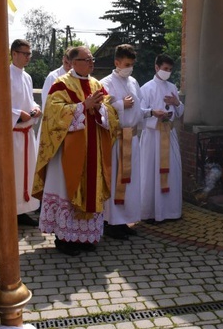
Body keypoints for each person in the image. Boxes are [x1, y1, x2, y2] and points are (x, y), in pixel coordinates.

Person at [32, 46, 120, 256]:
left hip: (93, 150)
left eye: (92, 59)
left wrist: (100, 109)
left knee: (91, 187)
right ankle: (64, 238)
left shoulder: (96, 84)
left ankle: (85, 236)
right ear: (73, 62)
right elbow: (53, 115)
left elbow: (111, 113)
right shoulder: (60, 85)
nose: (92, 63)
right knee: (65, 188)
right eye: (87, 59)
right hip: (68, 153)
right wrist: (82, 106)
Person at [100, 44, 144, 240]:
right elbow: (101, 108)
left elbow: (140, 108)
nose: (130, 68)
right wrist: (120, 105)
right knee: (117, 179)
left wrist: (150, 113)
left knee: (130, 181)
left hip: (132, 138)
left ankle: (125, 219)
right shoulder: (106, 83)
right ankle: (111, 222)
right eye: (127, 64)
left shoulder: (133, 81)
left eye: (132, 64)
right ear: (117, 62)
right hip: (117, 140)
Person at [139, 54, 184, 223]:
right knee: (151, 172)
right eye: (165, 69)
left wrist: (176, 102)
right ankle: (150, 212)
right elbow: (140, 112)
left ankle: (170, 211)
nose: (168, 72)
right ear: (156, 67)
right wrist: (154, 113)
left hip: (168, 134)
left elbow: (179, 113)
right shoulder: (146, 88)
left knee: (171, 171)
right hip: (153, 136)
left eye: (170, 70)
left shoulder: (172, 87)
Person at [9, 39, 42, 226]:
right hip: (13, 133)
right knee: (15, 174)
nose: (28, 57)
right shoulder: (4, 74)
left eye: (30, 54)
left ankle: (23, 210)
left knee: (27, 174)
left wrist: (35, 108)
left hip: (27, 132)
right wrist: (16, 114)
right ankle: (12, 211)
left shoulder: (27, 77)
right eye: (25, 53)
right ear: (14, 53)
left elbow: (30, 100)